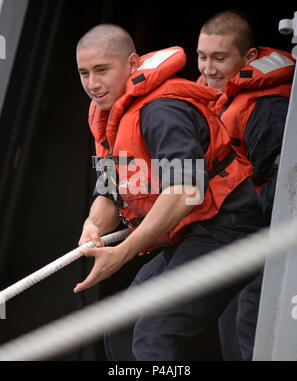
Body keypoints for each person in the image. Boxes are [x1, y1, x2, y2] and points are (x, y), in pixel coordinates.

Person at [73, 23, 268, 361]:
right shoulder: (109, 117)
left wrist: (125, 251)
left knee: (154, 332)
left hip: (228, 230)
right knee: (123, 324)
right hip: (190, 236)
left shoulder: (161, 111)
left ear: (133, 64)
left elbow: (185, 191)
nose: (92, 83)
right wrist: (92, 227)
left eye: (102, 70)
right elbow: (109, 192)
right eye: (84, 73)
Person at [196, 9, 295, 360]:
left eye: (220, 58)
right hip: (233, 238)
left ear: (249, 57)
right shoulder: (220, 99)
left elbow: (282, 192)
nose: (208, 69)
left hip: (264, 242)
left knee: (246, 322)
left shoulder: (266, 108)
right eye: (203, 57)